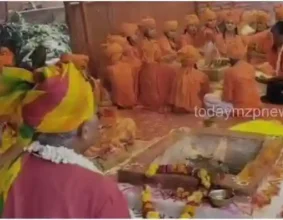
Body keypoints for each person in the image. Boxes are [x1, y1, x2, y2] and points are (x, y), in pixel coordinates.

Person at [0, 63, 130, 218]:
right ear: (85, 130)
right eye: (96, 113)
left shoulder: (9, 169)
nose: (100, 119)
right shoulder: (100, 193)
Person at [138, 17, 176, 112]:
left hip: (156, 67)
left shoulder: (154, 42)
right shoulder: (145, 44)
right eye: (151, 29)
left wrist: (168, 58)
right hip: (149, 70)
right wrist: (164, 60)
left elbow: (159, 58)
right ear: (145, 31)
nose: (154, 31)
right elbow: (149, 61)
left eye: (154, 29)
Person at [169, 45, 210, 113]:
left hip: (177, 110)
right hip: (195, 110)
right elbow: (206, 94)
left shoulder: (174, 74)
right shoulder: (202, 76)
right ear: (195, 59)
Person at [103, 42, 137, 108]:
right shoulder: (130, 66)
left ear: (110, 56)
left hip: (118, 103)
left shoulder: (110, 69)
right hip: (133, 101)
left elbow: (106, 87)